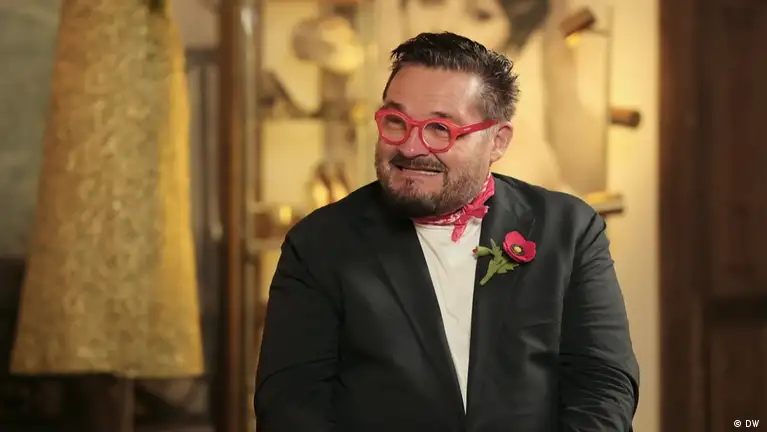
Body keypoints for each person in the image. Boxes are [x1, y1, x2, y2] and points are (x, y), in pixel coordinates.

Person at [254, 32, 639, 432]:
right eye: (396, 122)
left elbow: (603, 386)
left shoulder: (569, 230)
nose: (410, 147)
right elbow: (290, 406)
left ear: (497, 141)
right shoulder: (319, 244)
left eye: (440, 129)